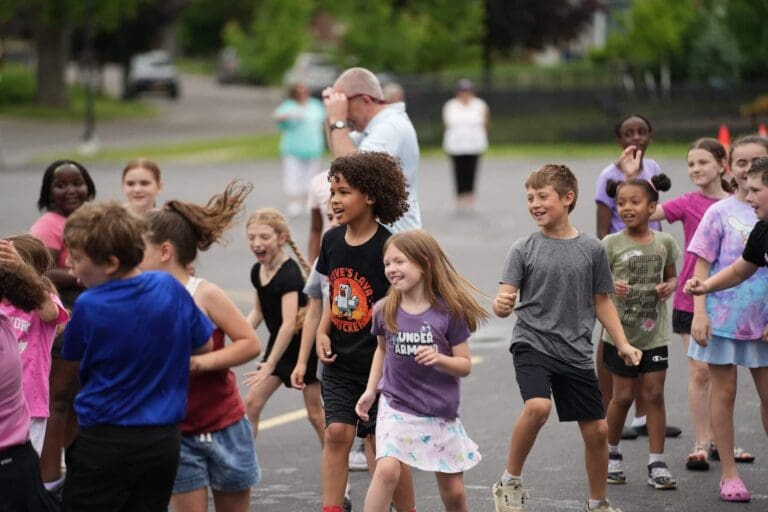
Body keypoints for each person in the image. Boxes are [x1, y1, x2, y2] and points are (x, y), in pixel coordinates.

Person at [491, 164, 641, 512]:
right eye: (530, 198)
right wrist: (501, 305)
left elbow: (601, 301)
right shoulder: (523, 248)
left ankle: (598, 502)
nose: (535, 204)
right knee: (538, 406)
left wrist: (622, 342)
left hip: (574, 350)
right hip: (532, 341)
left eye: (542, 196)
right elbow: (504, 298)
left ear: (567, 198)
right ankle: (510, 481)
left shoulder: (592, 249)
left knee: (599, 432)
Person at [60, 201, 214, 511]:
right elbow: (204, 345)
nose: (71, 269)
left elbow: (69, 371)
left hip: (105, 439)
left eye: (76, 260)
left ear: (111, 263)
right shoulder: (168, 287)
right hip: (163, 440)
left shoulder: (90, 304)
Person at [140, 182, 263, 512]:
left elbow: (249, 344)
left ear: (164, 251)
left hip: (226, 426)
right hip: (176, 433)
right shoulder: (139, 296)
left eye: (139, 249)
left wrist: (201, 364)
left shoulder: (204, 293)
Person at [355, 229, 486, 512]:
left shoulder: (448, 312)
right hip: (396, 405)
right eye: (388, 263)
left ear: (424, 263)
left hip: (438, 410)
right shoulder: (384, 309)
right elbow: (381, 350)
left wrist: (440, 359)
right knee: (387, 470)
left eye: (399, 261)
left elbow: (464, 365)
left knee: (453, 493)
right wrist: (370, 391)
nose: (391, 269)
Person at [315, 152, 415, 512]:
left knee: (382, 446)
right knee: (336, 433)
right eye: (332, 192)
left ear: (370, 196)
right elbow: (334, 292)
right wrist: (322, 332)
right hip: (340, 361)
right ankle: (332, 507)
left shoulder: (388, 248)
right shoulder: (331, 241)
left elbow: (399, 306)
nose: (334, 201)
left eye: (343, 192)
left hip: (382, 366)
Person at [684, 147, 768, 503]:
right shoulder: (759, 228)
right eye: (746, 188)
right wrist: (704, 289)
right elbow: (739, 269)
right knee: (724, 392)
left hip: (761, 322)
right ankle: (729, 474)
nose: (748, 196)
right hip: (727, 321)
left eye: (755, 190)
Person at [648, 138, 731, 471]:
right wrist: (638, 177)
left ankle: (722, 441)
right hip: (689, 296)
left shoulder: (739, 204)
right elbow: (645, 211)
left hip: (728, 298)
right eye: (691, 164)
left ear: (722, 165)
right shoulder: (686, 202)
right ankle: (701, 443)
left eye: (703, 163)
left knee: (723, 375)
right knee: (699, 371)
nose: (696, 169)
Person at [593, 114, 676, 440]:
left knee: (646, 334)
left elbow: (658, 214)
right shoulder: (609, 175)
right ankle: (607, 407)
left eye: (642, 131)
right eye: (629, 132)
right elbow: (602, 226)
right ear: (619, 139)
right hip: (621, 263)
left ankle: (643, 415)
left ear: (651, 136)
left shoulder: (653, 169)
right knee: (613, 335)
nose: (636, 137)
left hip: (650, 262)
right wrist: (606, 270)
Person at [601, 177, 681, 490]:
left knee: (654, 395)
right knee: (622, 396)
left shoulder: (664, 243)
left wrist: (669, 286)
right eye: (621, 203)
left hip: (654, 333)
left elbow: (673, 277)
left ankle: (656, 461)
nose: (627, 208)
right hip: (621, 335)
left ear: (651, 207)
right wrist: (610, 285)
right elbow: (595, 287)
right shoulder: (610, 243)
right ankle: (612, 453)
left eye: (635, 202)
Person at [30, 159, 96, 493]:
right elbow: (36, 269)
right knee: (58, 402)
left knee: (75, 402)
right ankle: (49, 480)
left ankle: (75, 474)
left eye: (77, 183)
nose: (71, 190)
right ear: (48, 192)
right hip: (62, 322)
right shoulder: (50, 224)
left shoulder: (83, 220)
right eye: (61, 185)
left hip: (85, 319)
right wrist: (85, 275)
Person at [243, 208, 325, 444]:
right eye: (252, 238)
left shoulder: (289, 275)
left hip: (303, 350)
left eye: (264, 237)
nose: (257, 243)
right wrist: (238, 334)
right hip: (280, 346)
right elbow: (258, 311)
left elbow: (289, 325)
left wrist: (270, 363)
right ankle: (244, 467)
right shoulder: (258, 271)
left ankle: (339, 470)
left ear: (281, 239)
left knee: (315, 415)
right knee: (252, 403)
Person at [322, 67, 421, 232]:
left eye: (345, 105)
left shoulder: (390, 127)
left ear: (365, 100)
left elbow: (350, 172)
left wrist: (338, 121)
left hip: (396, 238)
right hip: (386, 236)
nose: (344, 114)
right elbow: (338, 150)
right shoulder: (374, 128)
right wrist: (330, 116)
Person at [0, 255, 61, 512]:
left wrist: (26, 276)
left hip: (30, 405)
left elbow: (51, 312)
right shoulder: (3, 311)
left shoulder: (38, 303)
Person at [0, 235, 69, 455]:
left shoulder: (43, 301)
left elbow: (50, 313)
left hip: (30, 404)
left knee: (25, 470)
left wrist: (22, 272)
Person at [274, 82, 326, 217]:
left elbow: (323, 120)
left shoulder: (315, 105)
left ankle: (309, 202)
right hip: (293, 147)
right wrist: (289, 115)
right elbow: (277, 117)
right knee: (293, 175)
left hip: (313, 146)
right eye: (299, 91)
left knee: (311, 176)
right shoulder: (289, 106)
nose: (302, 93)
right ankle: (294, 202)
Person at [442, 78, 489, 214]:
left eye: (467, 91)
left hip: (474, 144)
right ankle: (459, 197)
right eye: (462, 91)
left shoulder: (480, 105)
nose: (465, 94)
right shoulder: (450, 105)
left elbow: (485, 122)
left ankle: (470, 197)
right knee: (458, 171)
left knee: (472, 170)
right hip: (456, 145)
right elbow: (447, 123)